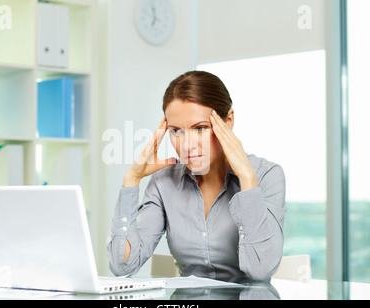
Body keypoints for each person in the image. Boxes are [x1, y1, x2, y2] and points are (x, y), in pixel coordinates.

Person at [107, 70, 286, 282]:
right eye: (175, 131)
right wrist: (132, 179)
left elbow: (261, 270)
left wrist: (247, 179)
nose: (187, 144)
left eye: (200, 128)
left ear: (228, 121)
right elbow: (122, 265)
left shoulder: (266, 176)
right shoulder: (164, 183)